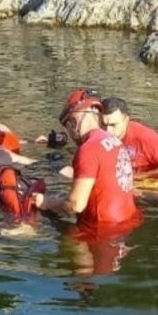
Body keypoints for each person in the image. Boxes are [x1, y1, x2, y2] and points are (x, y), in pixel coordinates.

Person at [33, 88, 143, 271]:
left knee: (45, 226)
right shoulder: (114, 141)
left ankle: (84, 283)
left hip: (101, 231)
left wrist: (48, 202)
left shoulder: (88, 149)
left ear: (74, 120)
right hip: (128, 222)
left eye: (67, 124)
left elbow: (76, 205)